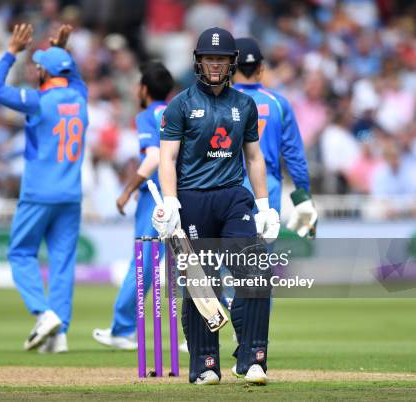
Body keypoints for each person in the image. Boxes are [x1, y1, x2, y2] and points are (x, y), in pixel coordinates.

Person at [152, 27, 280, 385]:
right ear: (198, 61)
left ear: (231, 63)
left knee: (256, 271)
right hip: (193, 199)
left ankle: (253, 359)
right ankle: (205, 365)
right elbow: (167, 158)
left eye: (221, 59)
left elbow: (254, 158)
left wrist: (265, 205)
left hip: (232, 196)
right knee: (200, 283)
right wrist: (171, 200)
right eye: (208, 58)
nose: (214, 65)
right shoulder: (180, 105)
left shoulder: (244, 105)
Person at [0, 24, 88, 354]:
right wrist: (63, 53)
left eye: (39, 65)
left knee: (20, 253)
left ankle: (44, 314)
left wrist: (10, 52)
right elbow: (76, 80)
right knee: (61, 262)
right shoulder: (80, 99)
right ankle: (60, 336)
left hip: (39, 193)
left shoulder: (38, 100)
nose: (35, 68)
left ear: (44, 71)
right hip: (70, 195)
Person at [92, 62, 174, 349]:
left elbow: (153, 156)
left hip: (159, 197)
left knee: (143, 263)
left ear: (144, 89)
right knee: (189, 264)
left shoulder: (147, 116)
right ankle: (197, 334)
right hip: (184, 193)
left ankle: (123, 329)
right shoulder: (178, 112)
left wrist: (129, 190)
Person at [233, 37, 317, 237]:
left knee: (223, 259)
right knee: (261, 261)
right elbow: (294, 156)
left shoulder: (218, 102)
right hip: (268, 185)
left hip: (228, 185)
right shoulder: (278, 103)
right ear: (261, 68)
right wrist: (304, 198)